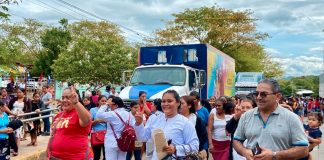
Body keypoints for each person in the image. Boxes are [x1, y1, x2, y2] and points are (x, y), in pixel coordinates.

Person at [233, 79, 309, 160]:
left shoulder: (291, 118)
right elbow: (236, 140)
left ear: (277, 96)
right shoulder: (246, 116)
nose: (258, 97)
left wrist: (274, 155)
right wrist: (244, 151)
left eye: (263, 94)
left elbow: (304, 150)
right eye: (256, 93)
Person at [134, 90, 199, 160]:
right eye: (163, 101)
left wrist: (176, 149)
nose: (165, 104)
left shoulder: (185, 123)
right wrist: (139, 123)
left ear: (178, 103)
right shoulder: (155, 119)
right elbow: (143, 138)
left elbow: (195, 146)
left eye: (169, 101)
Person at [47, 87, 93, 159]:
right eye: (63, 97)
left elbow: (86, 120)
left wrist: (76, 103)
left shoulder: (80, 114)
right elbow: (53, 136)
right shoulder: (58, 115)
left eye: (68, 97)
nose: (64, 100)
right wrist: (48, 155)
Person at [8, 88, 31, 156]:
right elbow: (8, 107)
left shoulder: (27, 100)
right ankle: (12, 147)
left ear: (24, 93)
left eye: (20, 92)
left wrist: (23, 112)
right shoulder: (13, 99)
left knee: (18, 133)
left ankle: (16, 149)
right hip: (12, 118)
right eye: (17, 92)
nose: (18, 94)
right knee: (11, 132)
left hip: (20, 119)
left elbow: (30, 109)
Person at [90, 95, 107, 160]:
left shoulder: (108, 110)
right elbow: (89, 123)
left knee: (106, 155)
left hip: (106, 135)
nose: (104, 102)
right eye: (102, 101)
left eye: (105, 101)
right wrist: (96, 121)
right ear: (98, 101)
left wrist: (104, 121)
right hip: (96, 135)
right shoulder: (93, 110)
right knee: (96, 155)